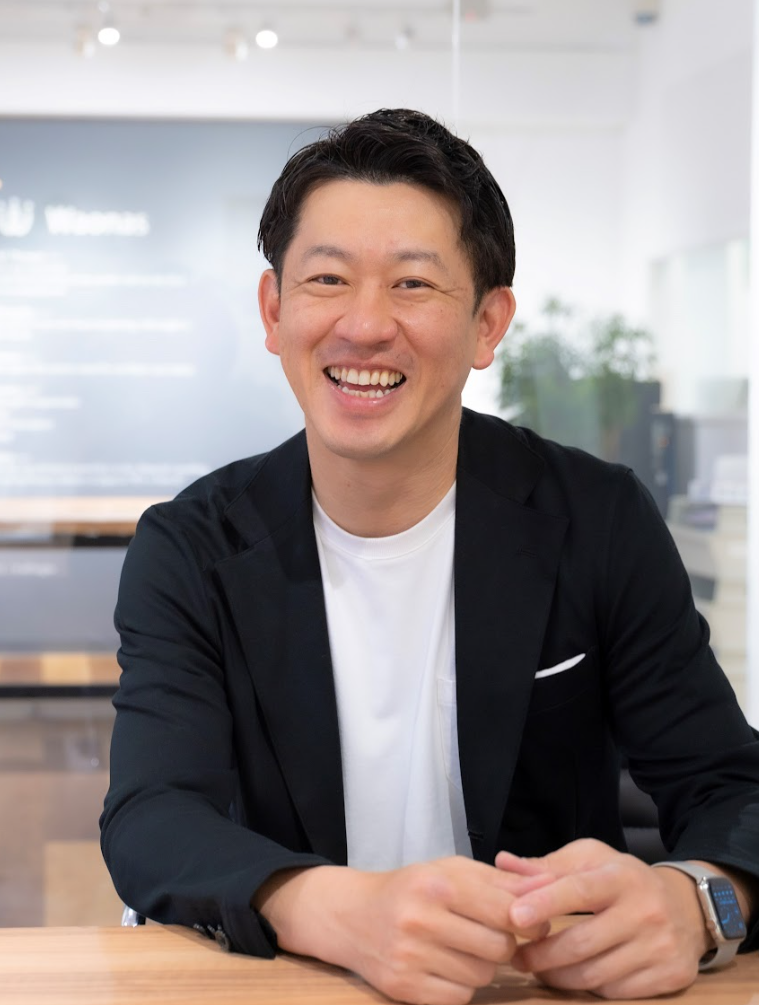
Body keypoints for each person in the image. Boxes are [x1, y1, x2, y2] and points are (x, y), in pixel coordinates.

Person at [101, 108, 759, 1005]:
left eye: (412, 284)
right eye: (327, 279)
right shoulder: (191, 547)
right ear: (274, 311)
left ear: (488, 323)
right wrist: (341, 910)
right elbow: (152, 815)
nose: (365, 324)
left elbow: (730, 783)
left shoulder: (595, 518)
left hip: (535, 988)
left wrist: (698, 902)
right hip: (295, 986)